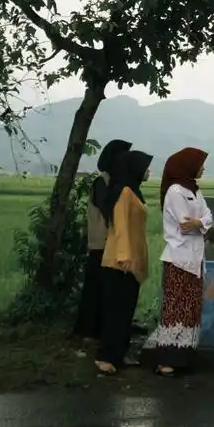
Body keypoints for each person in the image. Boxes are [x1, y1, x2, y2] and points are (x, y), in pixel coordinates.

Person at [141, 147, 213, 376]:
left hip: (195, 260)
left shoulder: (195, 190)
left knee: (190, 309)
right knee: (174, 309)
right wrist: (200, 223)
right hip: (179, 259)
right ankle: (165, 360)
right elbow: (185, 224)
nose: (203, 168)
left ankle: (183, 357)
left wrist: (199, 222)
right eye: (200, 164)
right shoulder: (175, 191)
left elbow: (208, 217)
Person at [95, 149, 153, 376]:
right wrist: (124, 256)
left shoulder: (134, 191)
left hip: (131, 260)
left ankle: (119, 354)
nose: (148, 170)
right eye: (146, 166)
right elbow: (119, 225)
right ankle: (105, 356)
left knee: (126, 311)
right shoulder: (125, 192)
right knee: (115, 312)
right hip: (120, 262)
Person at [74, 138, 131, 341]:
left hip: (109, 245)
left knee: (105, 290)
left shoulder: (113, 181)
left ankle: (98, 328)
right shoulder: (103, 181)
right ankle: (89, 330)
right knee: (96, 289)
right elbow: (108, 210)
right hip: (101, 244)